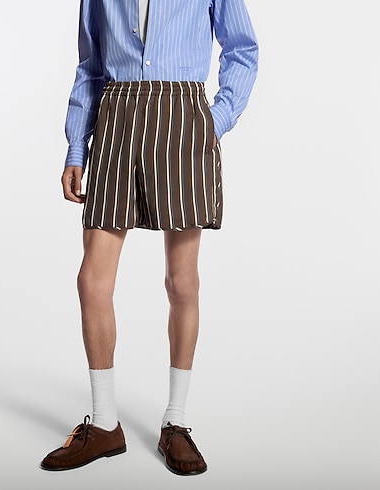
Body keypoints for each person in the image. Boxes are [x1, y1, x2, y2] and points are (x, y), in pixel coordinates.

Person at [41, 0, 258, 476]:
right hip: (116, 115)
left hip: (183, 115)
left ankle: (175, 422)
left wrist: (215, 119)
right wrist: (76, 146)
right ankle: (104, 424)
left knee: (182, 282)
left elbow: (242, 49)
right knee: (91, 281)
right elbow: (90, 65)